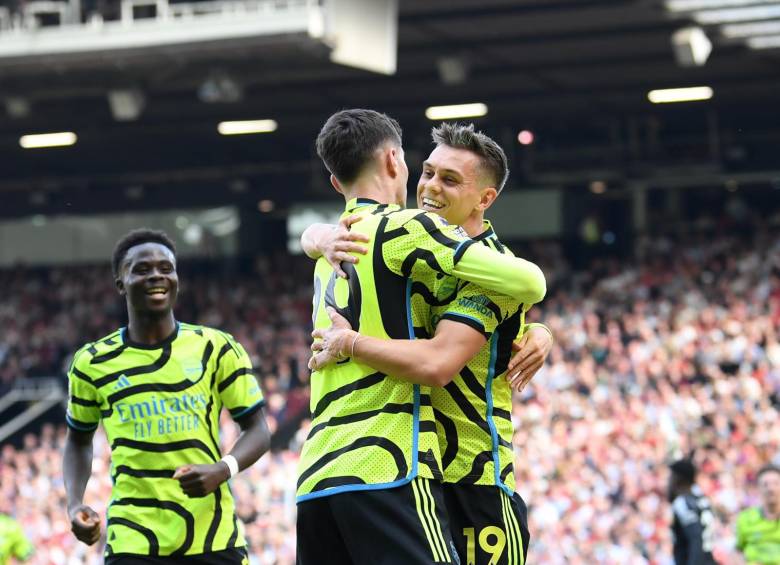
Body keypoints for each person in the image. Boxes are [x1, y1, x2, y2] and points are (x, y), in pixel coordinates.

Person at [296, 109, 547, 565]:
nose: (429, 187)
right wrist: (315, 235)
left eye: (450, 180)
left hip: (472, 481)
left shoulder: (493, 271)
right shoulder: (404, 243)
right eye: (428, 171)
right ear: (400, 163)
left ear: (483, 198)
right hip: (408, 469)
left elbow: (439, 361)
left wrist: (542, 330)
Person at [63, 229, 270, 565]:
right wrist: (74, 503)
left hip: (213, 536)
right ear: (121, 283)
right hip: (133, 539)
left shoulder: (216, 348)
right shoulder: (92, 362)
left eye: (166, 268)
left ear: (176, 278)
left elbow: (258, 429)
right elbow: (78, 441)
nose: (157, 275)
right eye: (142, 269)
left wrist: (223, 469)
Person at [668, 458, 718, 565]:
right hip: (709, 558)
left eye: (671, 476)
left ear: (679, 479)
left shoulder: (683, 502)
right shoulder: (701, 499)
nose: (668, 481)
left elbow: (696, 537)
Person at [736, 464, 780, 565]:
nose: (771, 489)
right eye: (765, 484)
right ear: (758, 488)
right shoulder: (745, 518)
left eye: (776, 483)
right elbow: (737, 550)